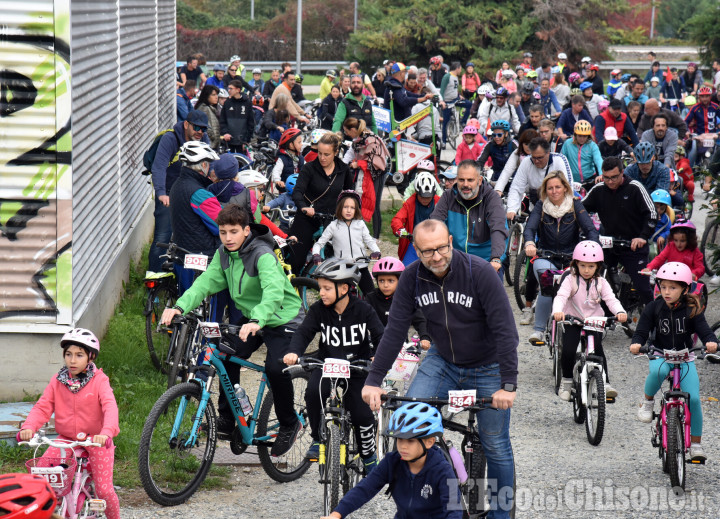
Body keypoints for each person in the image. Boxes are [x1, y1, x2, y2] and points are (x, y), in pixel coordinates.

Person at [362, 219, 518, 519]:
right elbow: (395, 331)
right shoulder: (411, 278)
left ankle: (501, 515)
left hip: (488, 366)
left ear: (450, 240)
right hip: (442, 361)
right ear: (415, 251)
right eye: (427, 251)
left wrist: (508, 384)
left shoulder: (480, 273)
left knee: (496, 445)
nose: (436, 256)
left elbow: (505, 331)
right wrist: (374, 380)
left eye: (441, 248)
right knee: (409, 423)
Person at [161, 204, 305, 456]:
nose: (228, 238)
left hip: (283, 320)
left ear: (246, 230)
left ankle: (289, 423)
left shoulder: (263, 254)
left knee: (275, 367)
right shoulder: (224, 255)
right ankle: (229, 418)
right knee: (224, 353)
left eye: (234, 232)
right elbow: (205, 283)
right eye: (223, 232)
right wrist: (179, 307)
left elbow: (272, 293)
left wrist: (258, 321)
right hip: (253, 319)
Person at [283, 258, 383, 470]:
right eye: (321, 288)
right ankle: (318, 439)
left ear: (345, 288)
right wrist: (294, 351)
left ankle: (368, 454)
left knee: (361, 413)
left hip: (357, 366)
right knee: (313, 391)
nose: (321, 293)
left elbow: (380, 335)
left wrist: (377, 356)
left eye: (327, 288)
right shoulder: (319, 310)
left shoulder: (363, 310)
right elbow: (304, 332)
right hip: (328, 363)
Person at [19, 328, 120, 519]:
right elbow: (43, 407)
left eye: (79, 355)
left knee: (105, 490)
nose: (72, 360)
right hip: (66, 439)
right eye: (68, 354)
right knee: (43, 477)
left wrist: (106, 432)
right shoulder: (58, 381)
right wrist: (28, 427)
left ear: (90, 357)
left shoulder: (100, 381)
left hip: (97, 440)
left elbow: (110, 407)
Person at [630, 262, 717, 462]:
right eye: (663, 286)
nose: (667, 291)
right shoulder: (654, 307)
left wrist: (712, 342)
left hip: (685, 357)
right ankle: (648, 401)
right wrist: (637, 343)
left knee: (694, 399)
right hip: (660, 353)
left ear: (685, 289)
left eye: (673, 287)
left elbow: (704, 330)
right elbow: (642, 330)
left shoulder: (692, 309)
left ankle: (695, 444)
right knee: (658, 372)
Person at [321, 402, 461, 519]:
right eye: (399, 439)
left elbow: (454, 510)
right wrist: (337, 514)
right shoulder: (392, 462)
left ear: (429, 442)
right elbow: (365, 488)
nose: (402, 446)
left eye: (410, 441)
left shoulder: (443, 469)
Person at [523, 172, 599, 343]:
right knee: (547, 284)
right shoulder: (541, 206)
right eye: (550, 188)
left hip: (572, 257)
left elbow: (590, 229)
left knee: (576, 288)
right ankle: (539, 330)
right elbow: (530, 228)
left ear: (565, 188)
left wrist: (593, 248)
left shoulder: (575, 204)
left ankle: (582, 324)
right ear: (545, 190)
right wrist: (529, 243)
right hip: (546, 255)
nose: (554, 191)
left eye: (558, 187)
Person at [552, 242, 627, 400]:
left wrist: (620, 312)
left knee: (598, 352)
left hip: (594, 321)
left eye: (591, 266)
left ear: (598, 266)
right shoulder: (570, 280)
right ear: (576, 264)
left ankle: (605, 383)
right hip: (573, 321)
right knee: (568, 351)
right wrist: (558, 312)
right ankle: (566, 382)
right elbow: (561, 297)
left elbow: (611, 300)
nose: (586, 270)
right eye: (583, 265)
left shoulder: (601, 283)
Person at [582, 157, 657, 304]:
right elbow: (580, 210)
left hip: (633, 245)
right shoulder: (599, 189)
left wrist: (643, 236)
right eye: (606, 178)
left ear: (622, 172)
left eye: (614, 177)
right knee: (593, 278)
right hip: (609, 243)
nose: (610, 182)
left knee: (643, 288)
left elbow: (652, 214)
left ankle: (655, 320)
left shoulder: (635, 187)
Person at [148, 110, 211, 273]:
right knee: (162, 237)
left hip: (191, 193)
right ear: (186, 124)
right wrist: (161, 193)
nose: (200, 132)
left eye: (204, 129)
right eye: (197, 127)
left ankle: (183, 277)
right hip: (168, 193)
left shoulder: (203, 139)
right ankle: (154, 280)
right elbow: (159, 166)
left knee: (190, 238)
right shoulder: (171, 139)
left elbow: (209, 165)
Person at [288, 133, 354, 274]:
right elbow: (298, 191)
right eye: (319, 153)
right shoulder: (309, 168)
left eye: (327, 154)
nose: (322, 158)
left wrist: (348, 212)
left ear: (336, 152)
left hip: (331, 218)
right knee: (296, 258)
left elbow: (350, 195)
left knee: (346, 254)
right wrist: (303, 207)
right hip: (307, 217)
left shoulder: (343, 170)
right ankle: (292, 286)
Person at [430, 160, 508, 273]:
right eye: (461, 180)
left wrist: (495, 258)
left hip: (486, 262)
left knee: (492, 289)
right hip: (455, 260)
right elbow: (434, 224)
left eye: (470, 180)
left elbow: (498, 229)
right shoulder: (448, 196)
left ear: (479, 180)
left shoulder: (492, 199)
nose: (465, 184)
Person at [311, 191, 381, 295]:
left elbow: (369, 240)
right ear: (340, 208)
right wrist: (316, 254)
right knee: (343, 297)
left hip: (360, 266)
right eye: (345, 207)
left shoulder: (360, 224)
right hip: (343, 268)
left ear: (356, 210)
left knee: (371, 295)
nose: (349, 210)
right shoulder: (333, 226)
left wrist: (376, 251)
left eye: (352, 208)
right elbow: (319, 243)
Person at [366, 258, 431, 349]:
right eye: (381, 281)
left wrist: (425, 337)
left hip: (401, 347)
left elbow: (420, 320)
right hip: (375, 346)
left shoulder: (406, 298)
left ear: (400, 280)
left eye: (391, 281)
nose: (385, 285)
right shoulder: (371, 298)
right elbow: (360, 320)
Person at [341, 118, 390, 236]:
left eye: (346, 131)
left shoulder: (371, 140)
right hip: (365, 173)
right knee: (361, 201)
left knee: (375, 204)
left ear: (353, 129)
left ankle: (376, 236)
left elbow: (376, 162)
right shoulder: (357, 140)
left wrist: (358, 164)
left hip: (378, 173)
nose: (345, 134)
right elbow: (351, 153)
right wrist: (342, 166)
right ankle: (359, 233)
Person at [504, 137, 573, 220]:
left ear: (548, 153)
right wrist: (512, 209)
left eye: (540, 157)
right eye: (534, 157)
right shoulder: (526, 162)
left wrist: (562, 211)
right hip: (536, 207)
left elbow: (568, 187)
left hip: (558, 208)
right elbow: (516, 188)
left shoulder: (560, 160)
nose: (536, 161)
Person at [391, 173, 441, 265]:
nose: (425, 199)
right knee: (406, 269)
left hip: (435, 242)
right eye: (422, 196)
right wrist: (402, 231)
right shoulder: (410, 203)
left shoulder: (439, 202)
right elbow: (396, 220)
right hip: (414, 241)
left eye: (429, 196)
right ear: (416, 192)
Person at [494, 129, 538, 196]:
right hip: (521, 188)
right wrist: (498, 190)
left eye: (531, 144)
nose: (528, 147)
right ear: (521, 144)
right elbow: (506, 172)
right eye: (526, 144)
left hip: (538, 189)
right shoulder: (516, 153)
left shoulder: (542, 154)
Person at [561, 120, 604, 185]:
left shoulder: (592, 145)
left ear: (588, 136)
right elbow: (562, 160)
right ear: (575, 135)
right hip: (572, 180)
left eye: (585, 136)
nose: (582, 139)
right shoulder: (567, 144)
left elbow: (598, 160)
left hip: (589, 178)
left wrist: (601, 174)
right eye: (580, 136)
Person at [219, 80, 254, 153]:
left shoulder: (247, 103)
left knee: (242, 163)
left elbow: (250, 123)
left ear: (238, 90)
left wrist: (246, 141)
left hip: (241, 142)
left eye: (231, 88)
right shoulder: (227, 103)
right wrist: (225, 133)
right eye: (228, 88)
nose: (229, 90)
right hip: (229, 141)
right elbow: (222, 121)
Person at [195, 84, 221, 149]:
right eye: (213, 95)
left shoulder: (211, 108)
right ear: (206, 96)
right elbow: (206, 127)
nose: (216, 97)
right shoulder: (204, 108)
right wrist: (213, 137)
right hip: (208, 146)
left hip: (212, 145)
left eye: (217, 94)